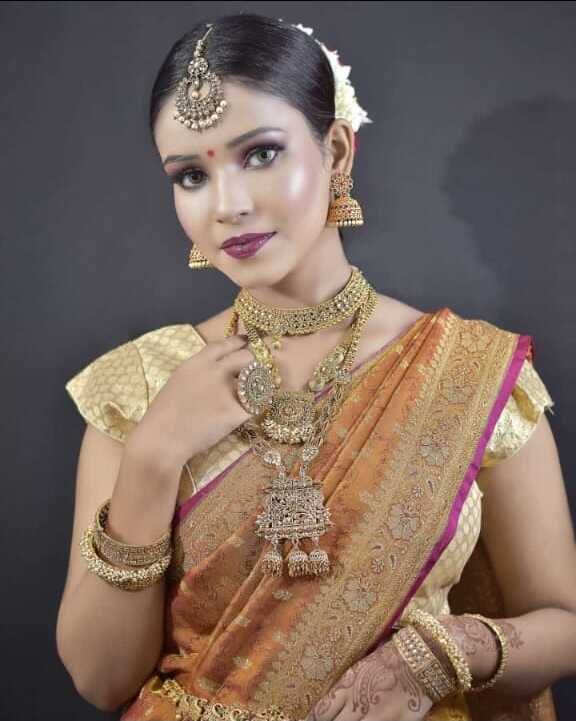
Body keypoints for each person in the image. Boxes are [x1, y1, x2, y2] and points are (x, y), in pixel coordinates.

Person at [56, 13, 575, 721]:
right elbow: (100, 679)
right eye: (191, 175)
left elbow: (562, 622)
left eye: (260, 154)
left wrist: (436, 654)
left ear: (336, 150)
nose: (228, 205)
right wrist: (151, 458)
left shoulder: (469, 372)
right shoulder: (143, 385)